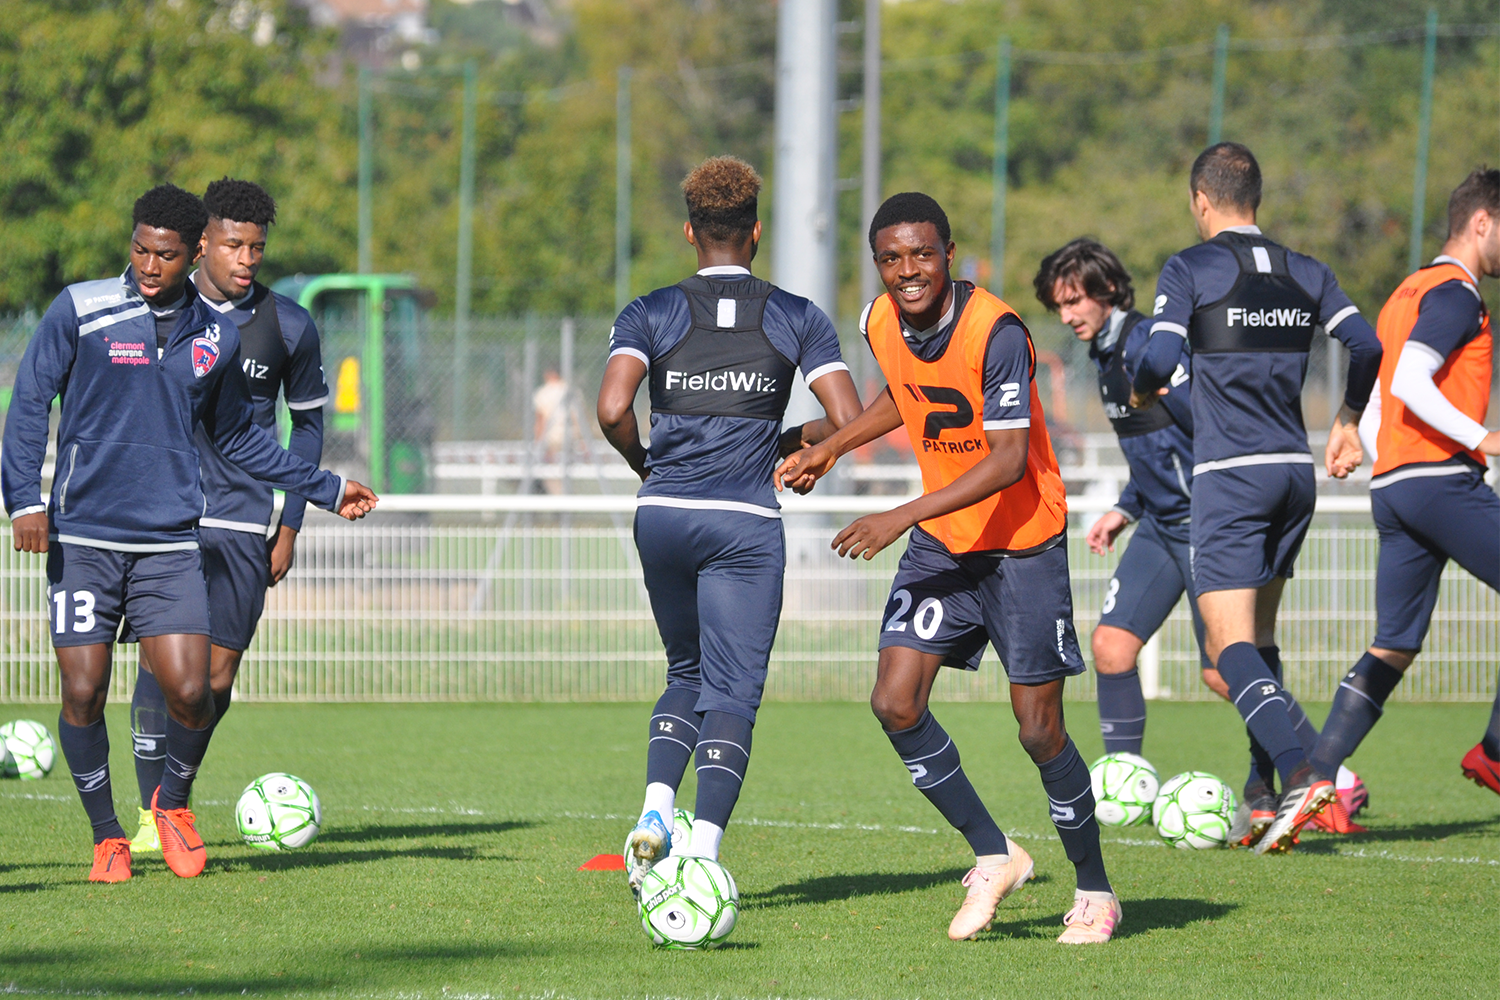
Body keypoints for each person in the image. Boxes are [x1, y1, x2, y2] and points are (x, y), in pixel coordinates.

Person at [1, 184, 376, 883]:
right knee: (83, 691)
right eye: (140, 249)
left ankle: (171, 805)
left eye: (164, 255)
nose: (149, 265)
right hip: (84, 536)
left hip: (170, 542)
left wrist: (322, 489)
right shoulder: (80, 310)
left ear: (188, 253)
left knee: (194, 691)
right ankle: (109, 837)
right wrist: (24, 501)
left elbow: (238, 434)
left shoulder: (215, 336)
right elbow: (29, 404)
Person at [777, 193, 1119, 945]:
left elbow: (1004, 460)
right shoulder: (877, 320)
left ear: (949, 253)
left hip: (1022, 541)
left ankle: (1094, 890)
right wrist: (829, 447)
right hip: (944, 540)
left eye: (922, 254)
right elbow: (905, 398)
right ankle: (994, 855)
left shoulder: (996, 331)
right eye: (893, 258)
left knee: (1039, 731)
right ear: (878, 263)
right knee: (895, 701)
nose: (909, 271)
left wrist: (901, 514)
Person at [596, 156, 862, 897]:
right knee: (732, 692)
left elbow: (613, 409)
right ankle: (702, 857)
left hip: (664, 515)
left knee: (685, 672)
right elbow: (847, 420)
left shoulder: (648, 310)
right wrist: (780, 445)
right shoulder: (797, 315)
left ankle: (655, 810)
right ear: (755, 233)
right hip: (743, 520)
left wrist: (646, 464)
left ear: (690, 231)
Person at [1128, 143, 1382, 853]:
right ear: (1256, 198)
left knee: (1226, 648)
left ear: (1200, 201)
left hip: (1231, 476)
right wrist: (1349, 421)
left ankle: (1307, 773)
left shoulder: (1191, 266)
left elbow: (1154, 355)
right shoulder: (1308, 270)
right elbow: (1366, 347)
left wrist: (1146, 389)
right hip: (1292, 473)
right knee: (1262, 642)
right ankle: (1262, 791)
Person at [125, 178, 331, 854]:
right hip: (165, 517)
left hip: (244, 520)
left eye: (258, 248)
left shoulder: (289, 325)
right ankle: (156, 812)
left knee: (214, 680)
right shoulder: (152, 311)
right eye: (234, 244)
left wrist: (292, 521)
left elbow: (305, 430)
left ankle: (172, 801)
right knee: (161, 667)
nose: (247, 258)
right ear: (203, 244)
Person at [1311, 168, 1500, 801]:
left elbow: (1385, 381)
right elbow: (1410, 382)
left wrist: (1357, 432)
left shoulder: (1407, 292)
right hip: (1440, 480)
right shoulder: (1456, 294)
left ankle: (1316, 783)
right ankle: (1496, 751)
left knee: (1393, 644)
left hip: (1395, 487)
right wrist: (1480, 437)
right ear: (1482, 223)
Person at [1033, 239, 1217, 752]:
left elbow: (1205, 428)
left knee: (1225, 673)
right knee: (1111, 647)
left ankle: (1320, 774)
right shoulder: (1104, 354)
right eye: (1059, 305)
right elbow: (1157, 448)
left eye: (1075, 301)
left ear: (1108, 289)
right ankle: (1124, 779)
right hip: (1160, 525)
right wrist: (1125, 507)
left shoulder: (1145, 344)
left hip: (1205, 523)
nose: (1067, 315)